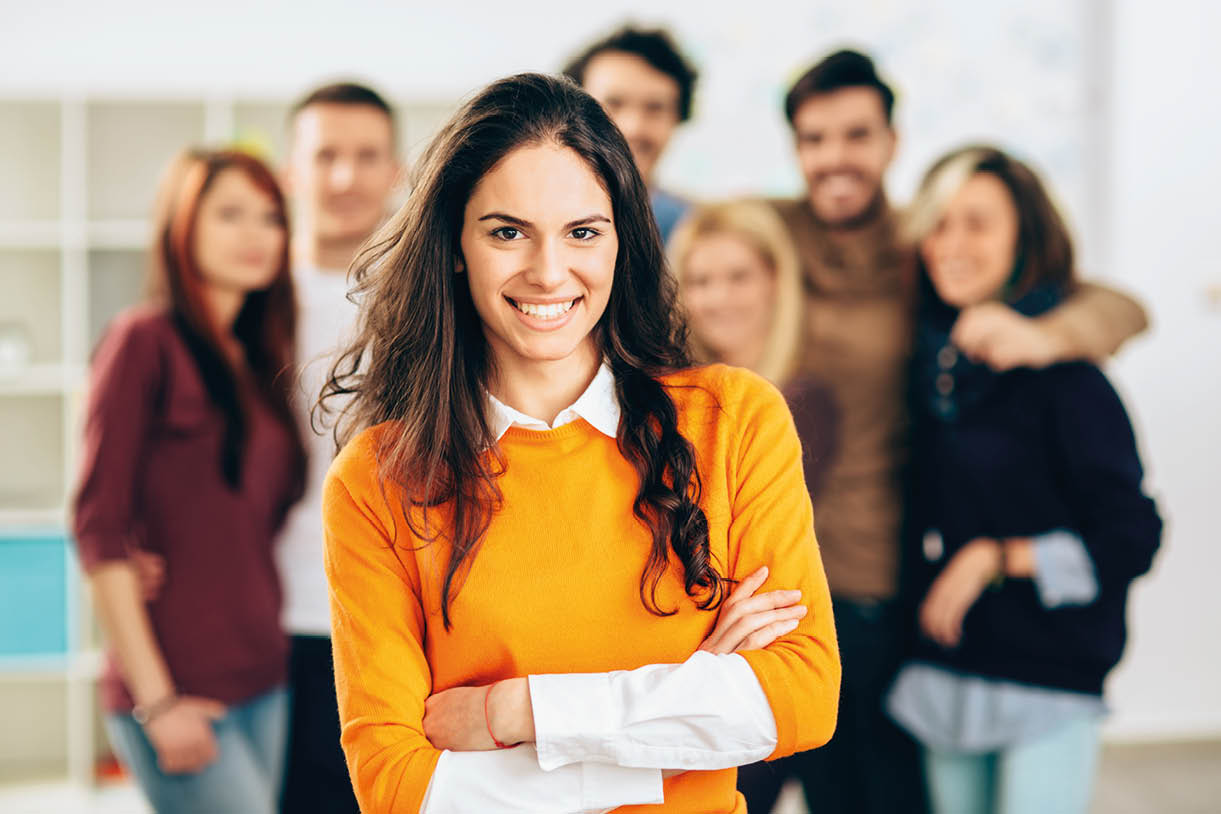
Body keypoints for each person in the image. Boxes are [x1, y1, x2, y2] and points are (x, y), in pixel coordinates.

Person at [318, 73, 841, 814]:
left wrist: (518, 712)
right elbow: (399, 787)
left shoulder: (733, 421)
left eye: (583, 232)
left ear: (621, 240)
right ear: (455, 245)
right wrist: (680, 723)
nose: (548, 271)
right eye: (506, 231)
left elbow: (800, 697)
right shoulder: (377, 479)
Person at [744, 49, 1151, 814]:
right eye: (813, 138)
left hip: (888, 592)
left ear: (891, 142)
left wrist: (1044, 336)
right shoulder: (767, 238)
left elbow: (1119, 307)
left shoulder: (921, 245)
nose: (834, 157)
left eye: (855, 134)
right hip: (776, 585)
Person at [886, 145, 1162, 813]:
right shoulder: (928, 369)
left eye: (977, 223)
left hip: (1047, 677)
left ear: (1023, 240)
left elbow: (1131, 537)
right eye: (938, 223)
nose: (950, 244)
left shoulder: (1069, 380)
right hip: (943, 672)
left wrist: (996, 558)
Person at [72, 149, 306, 814]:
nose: (255, 235)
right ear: (181, 226)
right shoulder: (142, 339)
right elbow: (98, 526)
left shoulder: (260, 358)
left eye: (270, 217)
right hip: (178, 689)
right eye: (229, 214)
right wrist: (160, 703)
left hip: (265, 674)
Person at [276, 80, 401, 814]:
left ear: (397, 172)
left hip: (393, 620)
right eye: (326, 156)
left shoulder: (433, 301)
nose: (346, 177)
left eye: (366, 156)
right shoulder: (247, 296)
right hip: (274, 623)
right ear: (291, 170)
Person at [669, 198, 840, 497]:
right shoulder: (672, 396)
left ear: (774, 280)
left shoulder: (804, 404)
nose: (719, 298)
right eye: (701, 281)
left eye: (739, 277)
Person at [563, 25, 697, 242]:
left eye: (655, 108)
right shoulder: (522, 214)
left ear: (678, 118)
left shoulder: (695, 230)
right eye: (614, 103)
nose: (633, 127)